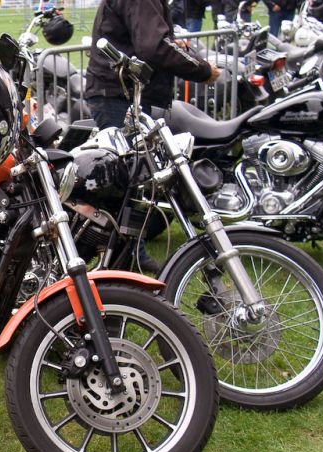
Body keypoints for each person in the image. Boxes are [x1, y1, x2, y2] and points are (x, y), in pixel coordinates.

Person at [84, 0, 219, 272]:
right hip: (118, 94)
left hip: (123, 92)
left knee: (133, 180)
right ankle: (122, 256)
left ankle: (132, 253)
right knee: (125, 181)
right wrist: (203, 70)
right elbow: (154, 46)